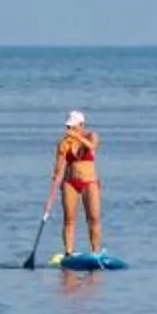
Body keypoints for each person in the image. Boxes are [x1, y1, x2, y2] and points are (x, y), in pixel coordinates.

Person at [49, 109, 104, 259]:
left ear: (81, 125)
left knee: (93, 218)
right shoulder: (64, 143)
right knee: (69, 218)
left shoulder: (91, 136)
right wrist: (60, 153)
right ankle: (69, 252)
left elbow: (92, 147)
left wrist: (77, 137)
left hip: (89, 182)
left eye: (72, 127)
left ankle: (96, 252)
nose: (69, 130)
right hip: (69, 183)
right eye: (68, 127)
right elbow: (58, 168)